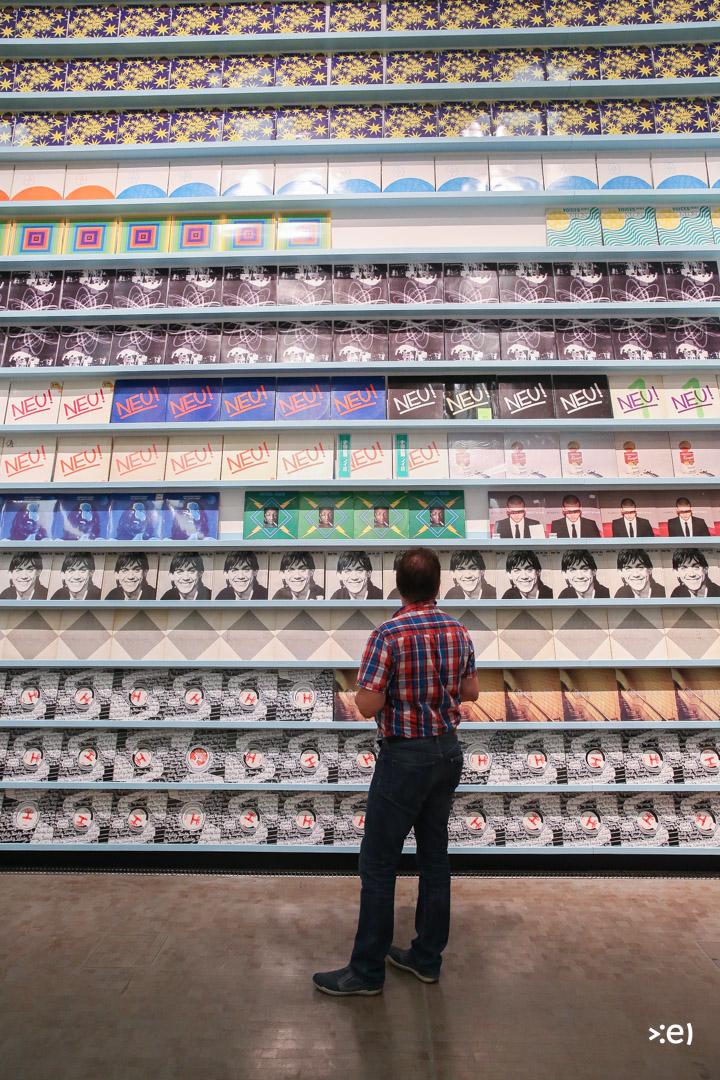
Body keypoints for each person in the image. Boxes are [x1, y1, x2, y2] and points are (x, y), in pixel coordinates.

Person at [313, 548, 478, 996]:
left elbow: (368, 705)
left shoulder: (387, 634)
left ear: (398, 586)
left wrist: (370, 690)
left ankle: (366, 972)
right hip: (447, 752)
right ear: (438, 585)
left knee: (379, 863)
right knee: (435, 857)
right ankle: (427, 959)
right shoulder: (458, 630)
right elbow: (471, 691)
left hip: (404, 756)